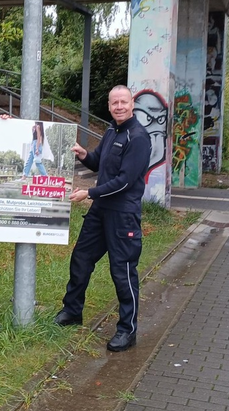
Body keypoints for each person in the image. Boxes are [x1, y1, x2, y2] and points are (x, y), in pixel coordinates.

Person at [54, 85, 151, 352]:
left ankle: (127, 330)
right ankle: (72, 311)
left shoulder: (138, 137)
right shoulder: (112, 131)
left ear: (132, 104)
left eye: (123, 102)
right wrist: (83, 153)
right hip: (100, 212)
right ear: (109, 106)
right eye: (114, 103)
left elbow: (124, 181)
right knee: (81, 259)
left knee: (122, 273)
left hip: (123, 216)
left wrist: (89, 192)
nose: (119, 106)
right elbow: (98, 162)